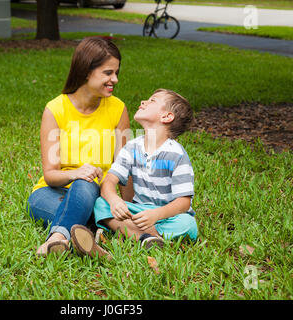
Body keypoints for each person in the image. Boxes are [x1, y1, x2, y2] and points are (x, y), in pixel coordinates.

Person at [27, 36, 132, 256]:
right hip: (50, 193)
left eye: (116, 73)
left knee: (87, 184)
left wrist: (132, 206)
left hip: (96, 194)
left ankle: (58, 239)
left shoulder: (118, 109)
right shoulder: (55, 110)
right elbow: (51, 175)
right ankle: (90, 234)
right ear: (85, 70)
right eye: (108, 73)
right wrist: (76, 173)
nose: (115, 79)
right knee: (83, 183)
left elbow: (125, 167)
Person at [70, 88, 197, 254]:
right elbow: (109, 181)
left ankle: (130, 233)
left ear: (166, 117)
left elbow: (183, 203)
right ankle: (147, 238)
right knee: (101, 203)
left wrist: (156, 215)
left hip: (168, 216)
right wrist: (115, 200)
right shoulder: (132, 147)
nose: (143, 102)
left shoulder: (177, 154)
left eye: (152, 101)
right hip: (139, 211)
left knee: (188, 225)